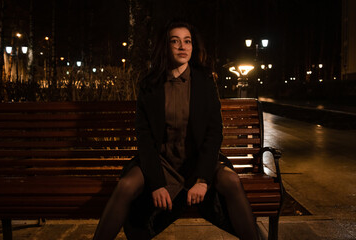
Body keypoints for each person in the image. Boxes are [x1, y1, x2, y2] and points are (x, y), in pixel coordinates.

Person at [93, 20, 260, 240]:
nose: (183, 46)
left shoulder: (205, 81)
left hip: (197, 160)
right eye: (175, 41)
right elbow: (144, 138)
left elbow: (214, 132)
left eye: (187, 41)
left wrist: (202, 180)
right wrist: (157, 184)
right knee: (126, 185)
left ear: (193, 46)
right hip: (161, 161)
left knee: (231, 181)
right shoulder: (150, 84)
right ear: (165, 46)